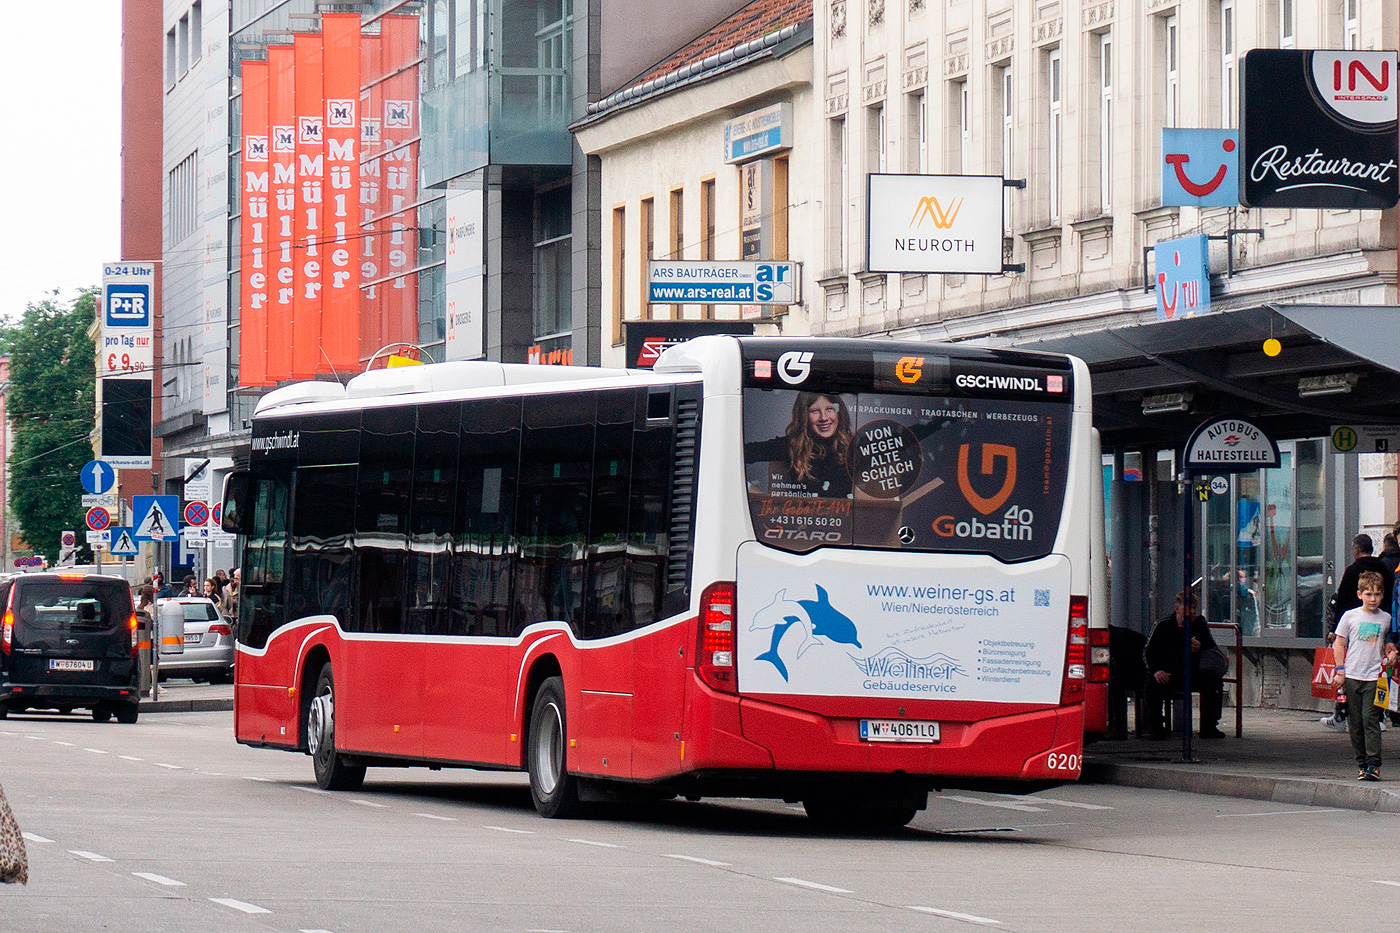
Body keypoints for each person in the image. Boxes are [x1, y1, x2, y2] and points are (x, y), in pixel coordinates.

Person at [1330, 570, 1400, 781]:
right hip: (1352, 675)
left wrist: (1392, 652)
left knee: (1370, 719)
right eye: (1368, 594)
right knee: (1355, 723)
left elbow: (1389, 642)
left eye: (1377, 594)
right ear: (1360, 594)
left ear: (1382, 595)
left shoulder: (1386, 618)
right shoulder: (1350, 616)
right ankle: (1361, 763)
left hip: (1375, 677)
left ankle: (1373, 764)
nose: (1373, 599)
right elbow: (1339, 643)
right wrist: (1340, 670)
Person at [1323, 534, 1394, 730]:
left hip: (1353, 629)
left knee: (1347, 670)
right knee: (1380, 673)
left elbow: (1342, 602)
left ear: (1356, 550)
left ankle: (1341, 712)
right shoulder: (1384, 571)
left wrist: (1334, 629)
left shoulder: (1352, 571)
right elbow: (1391, 599)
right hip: (1382, 625)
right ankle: (1379, 714)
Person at [1142, 590, 1225, 740]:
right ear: (1177, 609)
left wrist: (1201, 647)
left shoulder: (1199, 624)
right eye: (1188, 608)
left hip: (1192, 672)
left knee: (1214, 683)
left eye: (1194, 608)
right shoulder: (1163, 625)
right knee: (1152, 685)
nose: (1192, 612)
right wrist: (1156, 670)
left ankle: (1209, 726)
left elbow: (1211, 649)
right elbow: (1149, 652)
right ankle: (1156, 727)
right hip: (1168, 672)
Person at [745, 392, 855, 498]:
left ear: (839, 412)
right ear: (804, 416)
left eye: (829, 409)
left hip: (843, 511)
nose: (824, 418)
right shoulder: (791, 445)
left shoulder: (854, 444)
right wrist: (759, 498)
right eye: (814, 411)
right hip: (800, 511)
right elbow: (741, 453)